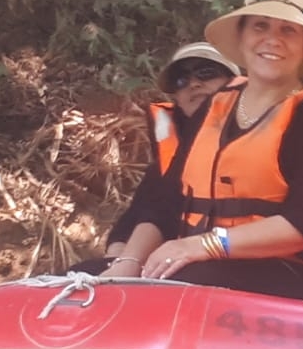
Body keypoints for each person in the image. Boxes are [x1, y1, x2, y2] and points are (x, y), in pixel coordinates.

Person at [131, 0, 303, 306]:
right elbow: (165, 202)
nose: (273, 40)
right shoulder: (214, 106)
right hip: (215, 267)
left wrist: (202, 245)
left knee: (185, 282)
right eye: (260, 26)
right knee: (91, 271)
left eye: (288, 30)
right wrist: (125, 266)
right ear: (242, 38)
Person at [99, 43, 238, 277]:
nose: (194, 84)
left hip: (242, 260)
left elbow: (301, 221)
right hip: (178, 261)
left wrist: (199, 246)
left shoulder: (263, 134)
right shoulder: (173, 156)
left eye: (207, 73)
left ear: (235, 82)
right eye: (181, 81)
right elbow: (146, 213)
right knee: (86, 272)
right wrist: (121, 260)